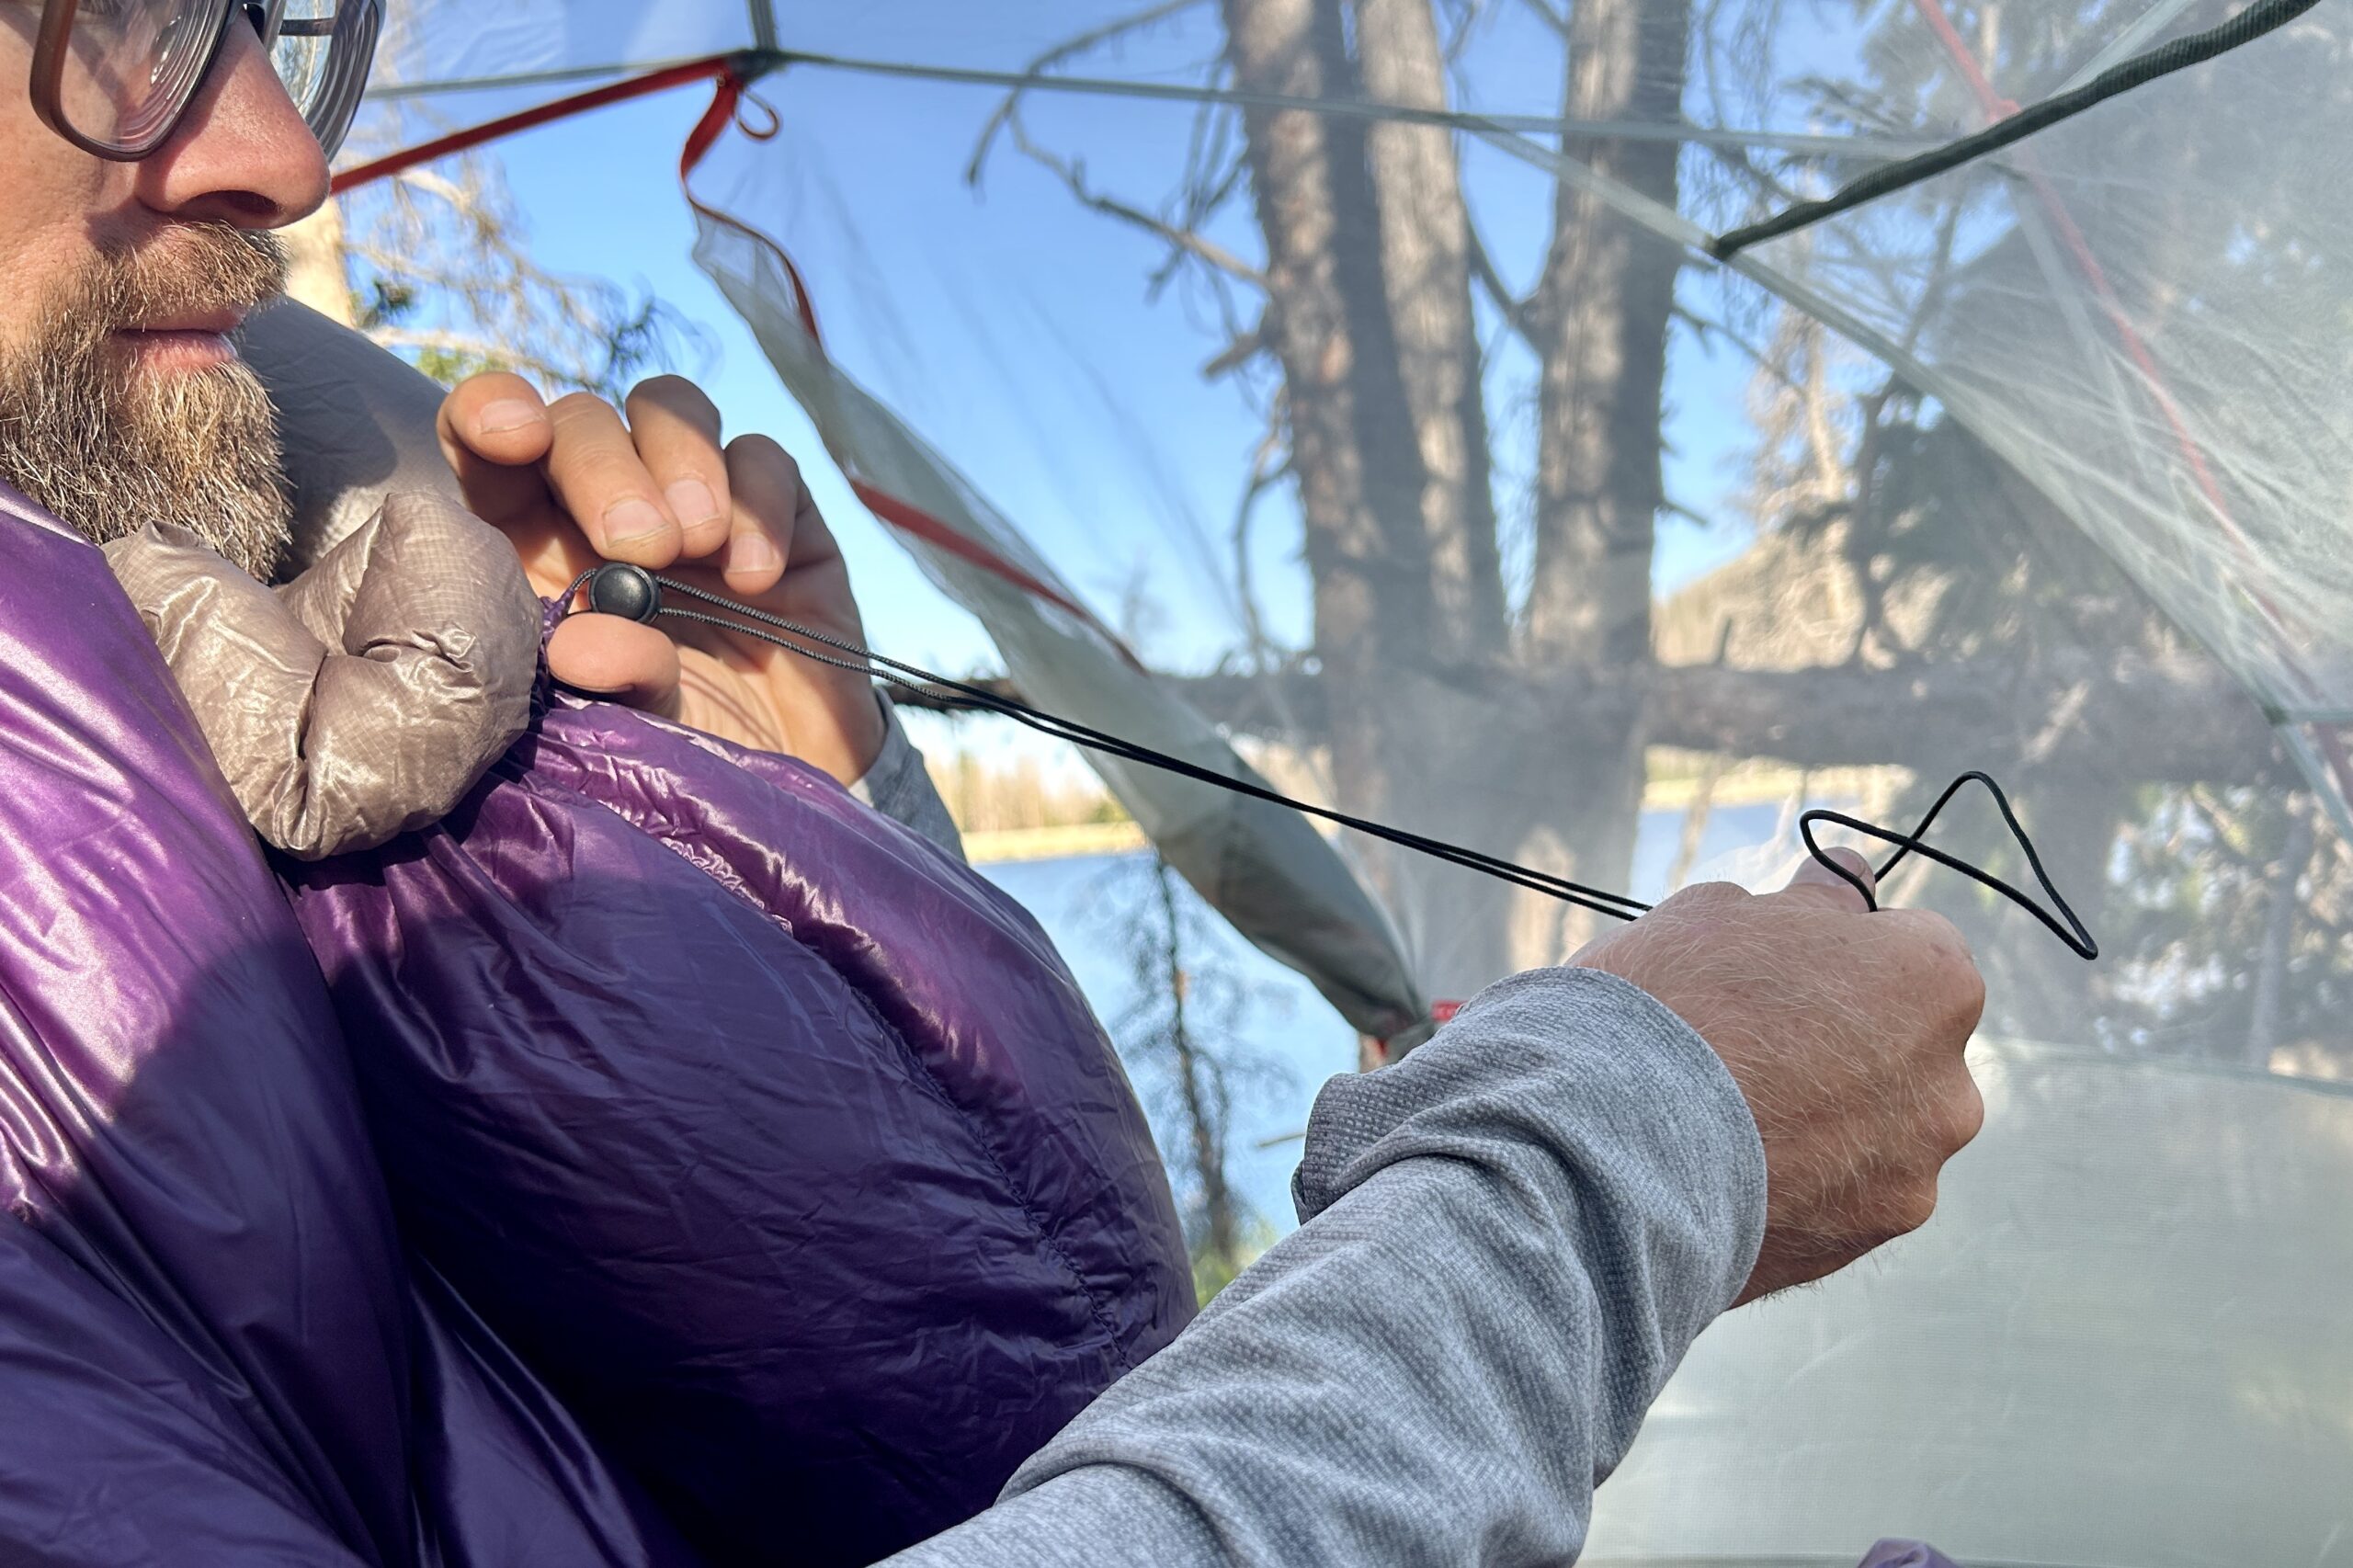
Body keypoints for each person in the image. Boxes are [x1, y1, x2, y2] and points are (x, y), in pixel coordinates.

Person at [0, 5, 1987, 1564]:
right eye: (125, 3)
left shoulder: (238, 656)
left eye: (272, 11)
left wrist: (807, 819)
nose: (280, 145)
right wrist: (1602, 1178)